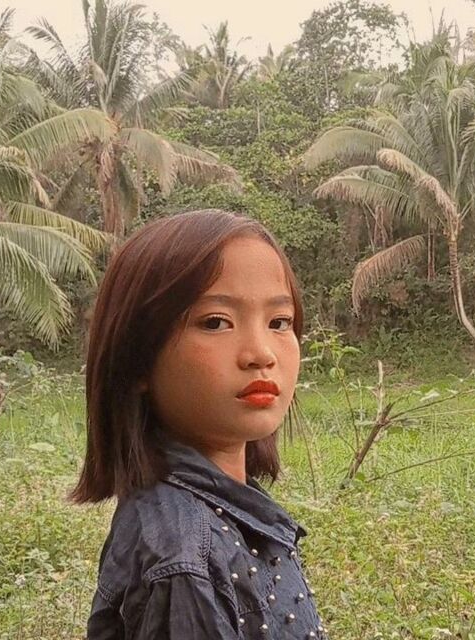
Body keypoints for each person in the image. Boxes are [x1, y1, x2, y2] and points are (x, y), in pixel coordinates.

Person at [71, 209, 327, 639]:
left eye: (279, 322)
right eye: (215, 322)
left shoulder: (220, 510)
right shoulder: (182, 556)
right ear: (137, 358)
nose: (261, 353)